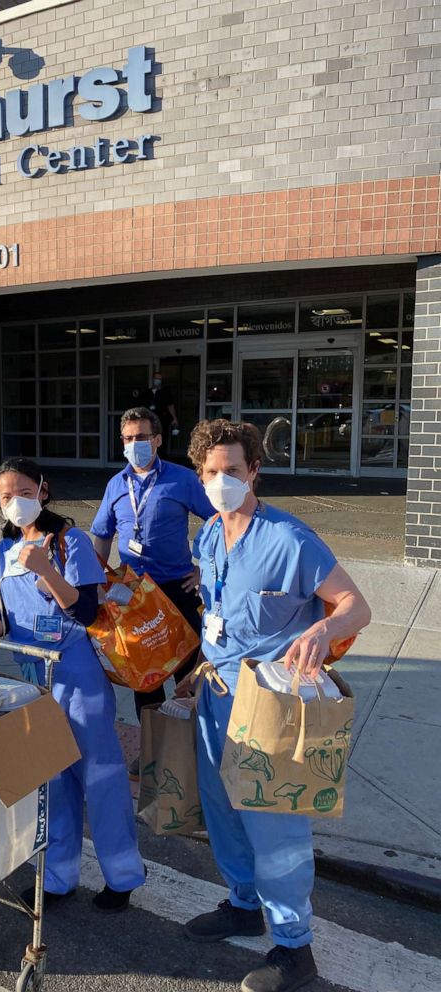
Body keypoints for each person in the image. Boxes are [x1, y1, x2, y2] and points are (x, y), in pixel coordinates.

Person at [179, 420, 371, 992]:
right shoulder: (209, 536)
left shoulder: (290, 540)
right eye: (211, 473)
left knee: (275, 825)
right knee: (224, 814)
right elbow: (220, 620)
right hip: (216, 698)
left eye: (232, 471)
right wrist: (197, 671)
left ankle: (294, 948)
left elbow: (355, 606)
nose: (221, 482)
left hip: (272, 706)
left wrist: (324, 630)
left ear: (254, 470)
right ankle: (243, 904)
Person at [0, 457, 146, 912]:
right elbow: (3, 617)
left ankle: (122, 875)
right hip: (34, 679)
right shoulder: (2, 553)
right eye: (5, 496)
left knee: (100, 777)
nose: (15, 502)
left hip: (78, 676)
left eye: (22, 491)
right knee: (51, 780)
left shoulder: (69, 541)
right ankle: (58, 878)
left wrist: (46, 570)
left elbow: (86, 611)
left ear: (42, 489)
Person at [90, 406, 214, 776]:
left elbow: (219, 520)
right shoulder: (116, 485)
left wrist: (203, 568)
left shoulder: (181, 479)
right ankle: (152, 754)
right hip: (135, 597)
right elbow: (102, 534)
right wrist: (99, 581)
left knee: (189, 674)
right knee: (145, 678)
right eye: (128, 439)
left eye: (141, 437)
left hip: (177, 589)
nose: (134, 444)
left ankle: (195, 757)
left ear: (158, 439)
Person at [139, 370, 178, 454]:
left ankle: (161, 460)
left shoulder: (165, 392)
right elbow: (142, 407)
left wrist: (174, 418)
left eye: (159, 379)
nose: (158, 380)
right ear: (153, 379)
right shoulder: (147, 393)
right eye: (156, 378)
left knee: (161, 441)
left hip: (162, 420)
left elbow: (170, 406)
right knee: (149, 439)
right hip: (149, 421)